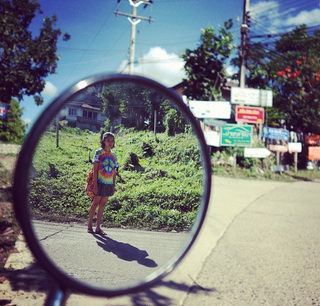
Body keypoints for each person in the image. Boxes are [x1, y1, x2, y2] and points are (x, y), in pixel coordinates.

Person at [87, 132, 118, 235]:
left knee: (102, 204)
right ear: (103, 141)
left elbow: (114, 172)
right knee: (95, 203)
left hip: (108, 184)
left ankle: (98, 228)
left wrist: (113, 185)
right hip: (99, 182)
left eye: (112, 141)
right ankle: (89, 226)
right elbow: (95, 169)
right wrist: (95, 185)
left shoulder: (114, 155)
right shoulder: (99, 152)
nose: (110, 143)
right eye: (108, 140)